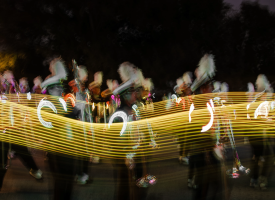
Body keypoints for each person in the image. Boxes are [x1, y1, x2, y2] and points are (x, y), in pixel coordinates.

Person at [41, 57, 76, 200]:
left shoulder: (65, 103)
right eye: (56, 87)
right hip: (56, 150)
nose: (60, 89)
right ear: (50, 90)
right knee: (60, 183)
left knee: (69, 182)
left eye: (61, 87)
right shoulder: (47, 107)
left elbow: (74, 119)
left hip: (69, 149)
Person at [2, 71, 43, 180]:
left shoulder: (14, 92)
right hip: (2, 131)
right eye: (6, 82)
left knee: (23, 151)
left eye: (10, 82)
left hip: (13, 129)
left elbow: (19, 105)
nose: (8, 85)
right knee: (2, 162)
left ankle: (35, 170)